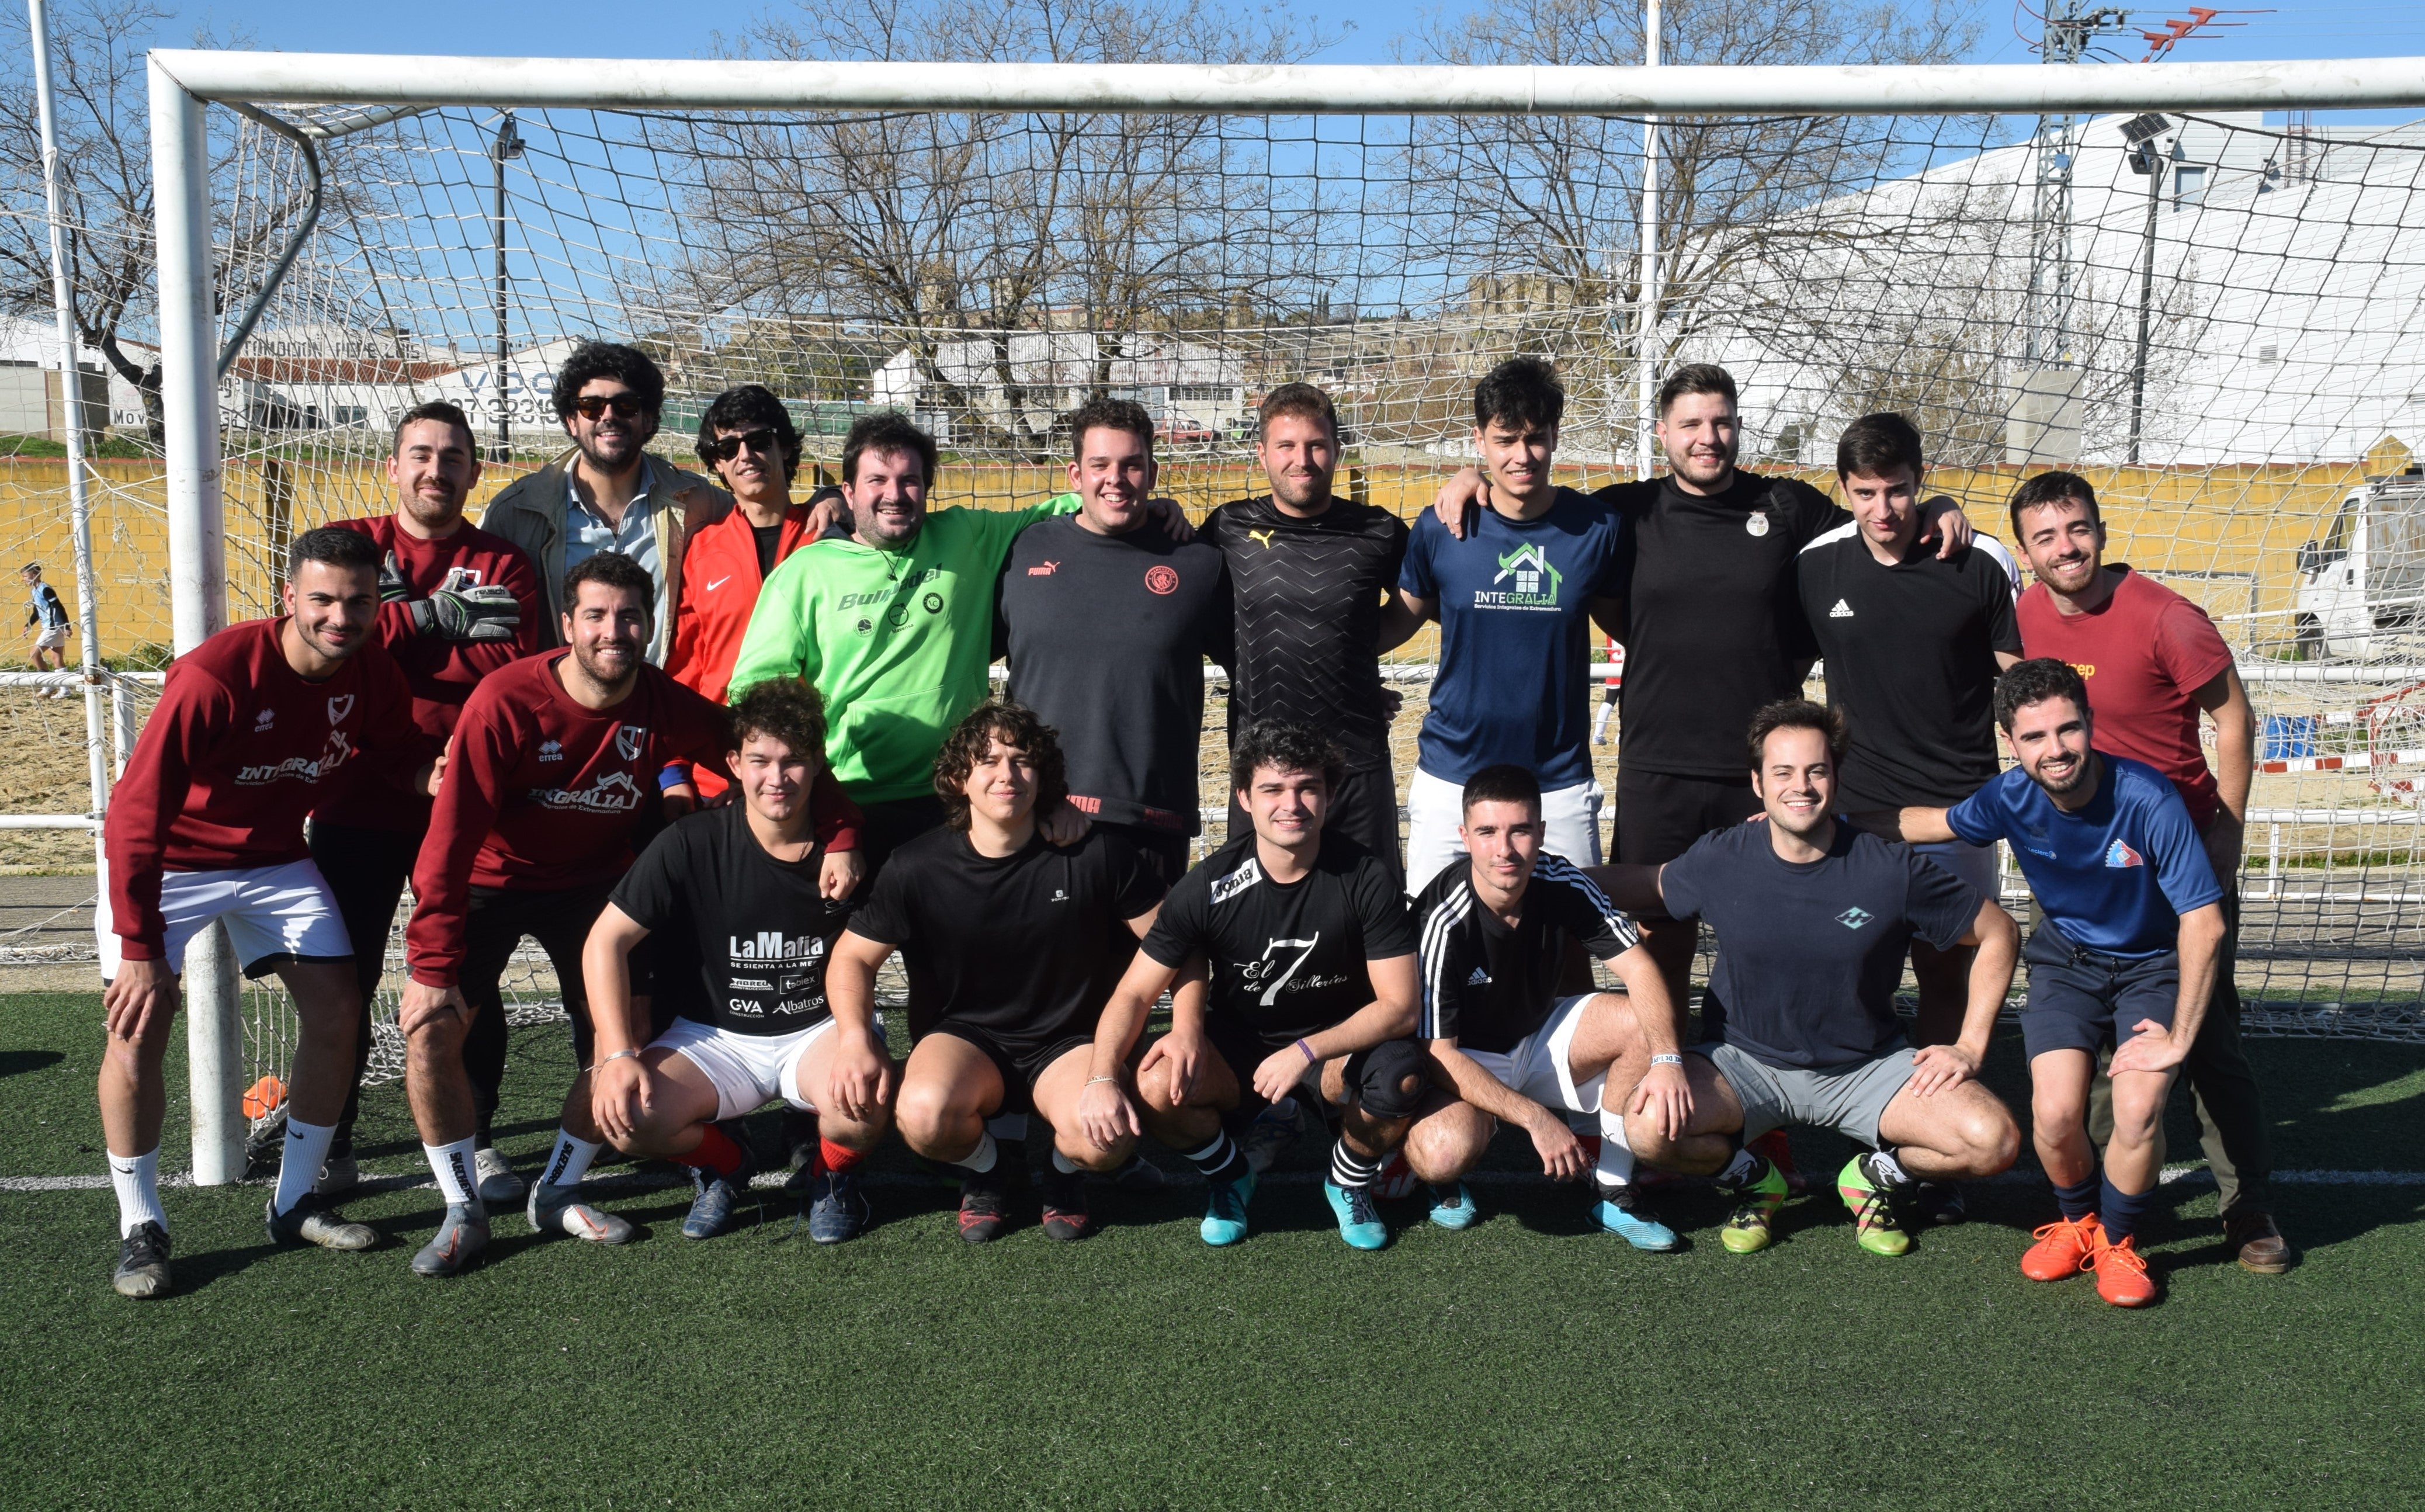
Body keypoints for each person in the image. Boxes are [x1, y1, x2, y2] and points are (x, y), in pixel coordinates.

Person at [1427, 365, 1975, 1019]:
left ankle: (1767, 1074)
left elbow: (1875, 518)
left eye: (1720, 423)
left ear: (1738, 427)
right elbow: (1535, 508)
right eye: (1690, 424)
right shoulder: (1624, 511)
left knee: (1772, 933)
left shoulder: (1787, 506)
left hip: (1760, 774)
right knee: (1659, 941)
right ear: (1662, 432)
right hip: (1658, 768)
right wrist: (1469, 477)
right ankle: (1667, 1069)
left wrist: (1937, 504)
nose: (1706, 438)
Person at [397, 553, 859, 1277]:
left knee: (624, 1036)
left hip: (589, 883)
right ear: (567, 623)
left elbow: (769, 751)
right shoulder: (505, 700)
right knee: (431, 1031)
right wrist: (430, 963)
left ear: (649, 624)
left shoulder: (658, 700)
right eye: (596, 615)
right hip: (489, 880)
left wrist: (844, 829)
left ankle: (558, 1188)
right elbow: (449, 839)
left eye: (629, 616)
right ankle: (461, 1208)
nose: (612, 630)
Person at [96, 527, 426, 1298]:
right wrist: (140, 947)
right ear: (289, 598)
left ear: (377, 604)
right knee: (138, 1025)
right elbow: (135, 815)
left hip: (274, 858)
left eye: (358, 601)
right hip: (172, 860)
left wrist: (434, 773)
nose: (340, 617)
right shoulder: (215, 677)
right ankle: (142, 1226)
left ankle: (295, 1201)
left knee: (340, 1009)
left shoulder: (371, 672)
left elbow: (396, 753)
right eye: (323, 599)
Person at [1856, 661, 2226, 1306]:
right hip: (2066, 967)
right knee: (2053, 1115)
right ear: (2010, 741)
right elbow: (1932, 823)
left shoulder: (2148, 797)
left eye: (2067, 729)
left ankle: (2117, 1241)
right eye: (2034, 736)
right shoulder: (2009, 796)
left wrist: (2179, 1039)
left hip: (2151, 967)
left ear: (2090, 724)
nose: (2054, 749)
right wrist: (1822, 822)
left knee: (2137, 1108)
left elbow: (2204, 922)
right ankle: (2077, 1222)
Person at [1602, 700, 2021, 1258]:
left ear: (1836, 778)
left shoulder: (1889, 868)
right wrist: (1543, 878)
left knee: (1993, 1142)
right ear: (1758, 783)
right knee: (1648, 1128)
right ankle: (1755, 1182)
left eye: (1815, 771)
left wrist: (1969, 1046)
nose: (1800, 787)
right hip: (1745, 1063)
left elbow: (2000, 933)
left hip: (1867, 1068)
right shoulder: (1723, 856)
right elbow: (1650, 884)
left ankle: (1871, 1177)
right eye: (1782, 772)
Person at [2005, 471, 2288, 1275]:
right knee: (2089, 1047)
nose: (2065, 548)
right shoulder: (2022, 616)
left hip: (2176, 867)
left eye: (2077, 529)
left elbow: (2233, 718)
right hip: (2081, 872)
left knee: (2207, 1047)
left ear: (2099, 530)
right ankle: (2104, 1214)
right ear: (2024, 552)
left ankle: (2245, 1204)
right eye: (2045, 536)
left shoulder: (2165, 616)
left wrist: (2226, 831)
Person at [729, 410, 1153, 868]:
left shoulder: (965, 535)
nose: (894, 495)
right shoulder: (802, 575)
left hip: (957, 797)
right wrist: (826, 805)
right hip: (850, 803)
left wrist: (1149, 512)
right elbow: (755, 696)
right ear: (847, 493)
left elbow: (1062, 509)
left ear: (927, 488)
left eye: (909, 481)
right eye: (877, 481)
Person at [309, 400, 541, 1201]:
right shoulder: (351, 545)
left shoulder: (503, 561)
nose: (435, 470)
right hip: (357, 796)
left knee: (465, 981)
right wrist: (438, 619)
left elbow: (509, 668)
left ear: (475, 472)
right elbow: (325, 643)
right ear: (392, 465)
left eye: (452, 457)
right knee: (343, 979)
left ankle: (477, 1141)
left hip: (465, 802)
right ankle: (332, 1143)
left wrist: (389, 625)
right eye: (420, 454)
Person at [825, 701, 1166, 1245]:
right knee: (924, 1116)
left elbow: (1174, 945)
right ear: (958, 779)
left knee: (1105, 1141)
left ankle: (1061, 1172)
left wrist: (1185, 1027)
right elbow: (852, 958)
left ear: (1043, 776)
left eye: (1022, 760)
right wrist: (852, 1040)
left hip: (1070, 1043)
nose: (1006, 774)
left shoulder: (1097, 853)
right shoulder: (915, 865)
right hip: (966, 1041)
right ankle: (989, 1170)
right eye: (987, 761)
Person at [1077, 719, 1425, 1250]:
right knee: (1154, 1080)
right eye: (1272, 789)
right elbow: (1133, 993)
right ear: (1243, 798)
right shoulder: (1207, 885)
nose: (1292, 804)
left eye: (1307, 787)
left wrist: (1306, 1051)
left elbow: (1400, 1007)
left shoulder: (1366, 877)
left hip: (1336, 1044)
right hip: (1244, 1043)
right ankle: (1230, 1175)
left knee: (1400, 1074)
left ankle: (1347, 1180)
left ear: (1330, 794)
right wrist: (1102, 1076)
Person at [1796, 411, 2021, 1223]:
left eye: (1896, 490)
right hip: (1854, 818)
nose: (1882, 509)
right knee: (1846, 973)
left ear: (1920, 482)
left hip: (1956, 816)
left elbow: (2018, 685)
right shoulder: (1816, 565)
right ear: (1843, 490)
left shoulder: (1978, 560)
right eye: (1864, 493)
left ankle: (1925, 1154)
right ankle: (1828, 1125)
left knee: (1944, 978)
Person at [578, 678, 888, 1244]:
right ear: (733, 764)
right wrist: (618, 1054)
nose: (776, 778)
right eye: (760, 760)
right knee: (628, 1118)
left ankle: (830, 1174)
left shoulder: (851, 852)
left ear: (819, 764)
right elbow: (605, 941)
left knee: (864, 1098)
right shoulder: (689, 841)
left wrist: (857, 1037)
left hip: (815, 1029)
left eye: (793, 761)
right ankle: (726, 1163)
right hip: (715, 1035)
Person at [1397, 763, 1692, 1250]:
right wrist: (1535, 1118)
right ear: (1465, 837)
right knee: (1441, 1155)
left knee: (1638, 1020)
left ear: (1540, 832)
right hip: (1466, 1058)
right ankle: (1440, 1173)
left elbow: (1640, 970)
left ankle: (1613, 1189)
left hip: (1538, 1037)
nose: (1504, 849)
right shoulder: (1441, 918)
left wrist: (1667, 1059)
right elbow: (1439, 1053)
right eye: (1487, 832)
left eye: (1519, 830)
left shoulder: (1562, 881)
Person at [1392, 359, 1625, 889]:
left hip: (1557, 782)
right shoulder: (1441, 526)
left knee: (1572, 933)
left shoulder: (1599, 529)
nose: (1522, 456)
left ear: (1555, 436)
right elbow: (1394, 626)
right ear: (1479, 440)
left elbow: (1634, 629)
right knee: (1432, 929)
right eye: (1505, 440)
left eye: (1535, 438)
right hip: (1452, 775)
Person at [481, 341, 837, 665]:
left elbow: (763, 510)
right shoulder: (517, 513)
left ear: (648, 419)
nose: (608, 416)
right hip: (565, 704)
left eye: (625, 405)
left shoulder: (697, 501)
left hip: (658, 704)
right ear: (572, 421)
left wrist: (832, 498)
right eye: (591, 406)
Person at [998, 396, 1233, 886]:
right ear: (1074, 474)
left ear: (1152, 473)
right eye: (1100, 465)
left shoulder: (1200, 563)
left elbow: (1257, 669)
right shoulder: (1023, 549)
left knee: (1158, 941)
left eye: (1131, 465)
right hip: (1037, 812)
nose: (1116, 479)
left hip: (1151, 822)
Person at [1200, 383, 1418, 886]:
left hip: (1355, 767)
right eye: (1286, 446)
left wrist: (1349, 657)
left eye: (1316, 445)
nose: (1302, 460)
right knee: (1255, 915)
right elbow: (1184, 609)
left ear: (1337, 450)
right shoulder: (1227, 527)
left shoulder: (1378, 531)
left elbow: (1420, 602)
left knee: (1370, 911)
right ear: (1262, 454)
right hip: (1263, 772)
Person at [662, 384, 844, 802]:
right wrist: (674, 769)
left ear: (786, 448)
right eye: (728, 448)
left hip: (815, 767)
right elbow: (685, 669)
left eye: (759, 441)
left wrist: (840, 496)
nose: (745, 455)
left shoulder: (830, 539)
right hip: (718, 769)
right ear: (717, 464)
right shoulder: (701, 549)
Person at [22, 561, 71, 690]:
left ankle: (48, 686)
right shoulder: (34, 591)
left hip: (53, 628)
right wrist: (28, 625)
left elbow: (59, 607)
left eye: (25, 576)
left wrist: (67, 626)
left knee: (34, 654)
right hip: (52, 627)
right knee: (56, 658)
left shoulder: (46, 589)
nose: (23, 580)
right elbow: (37, 611)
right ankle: (65, 691)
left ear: (34, 575)